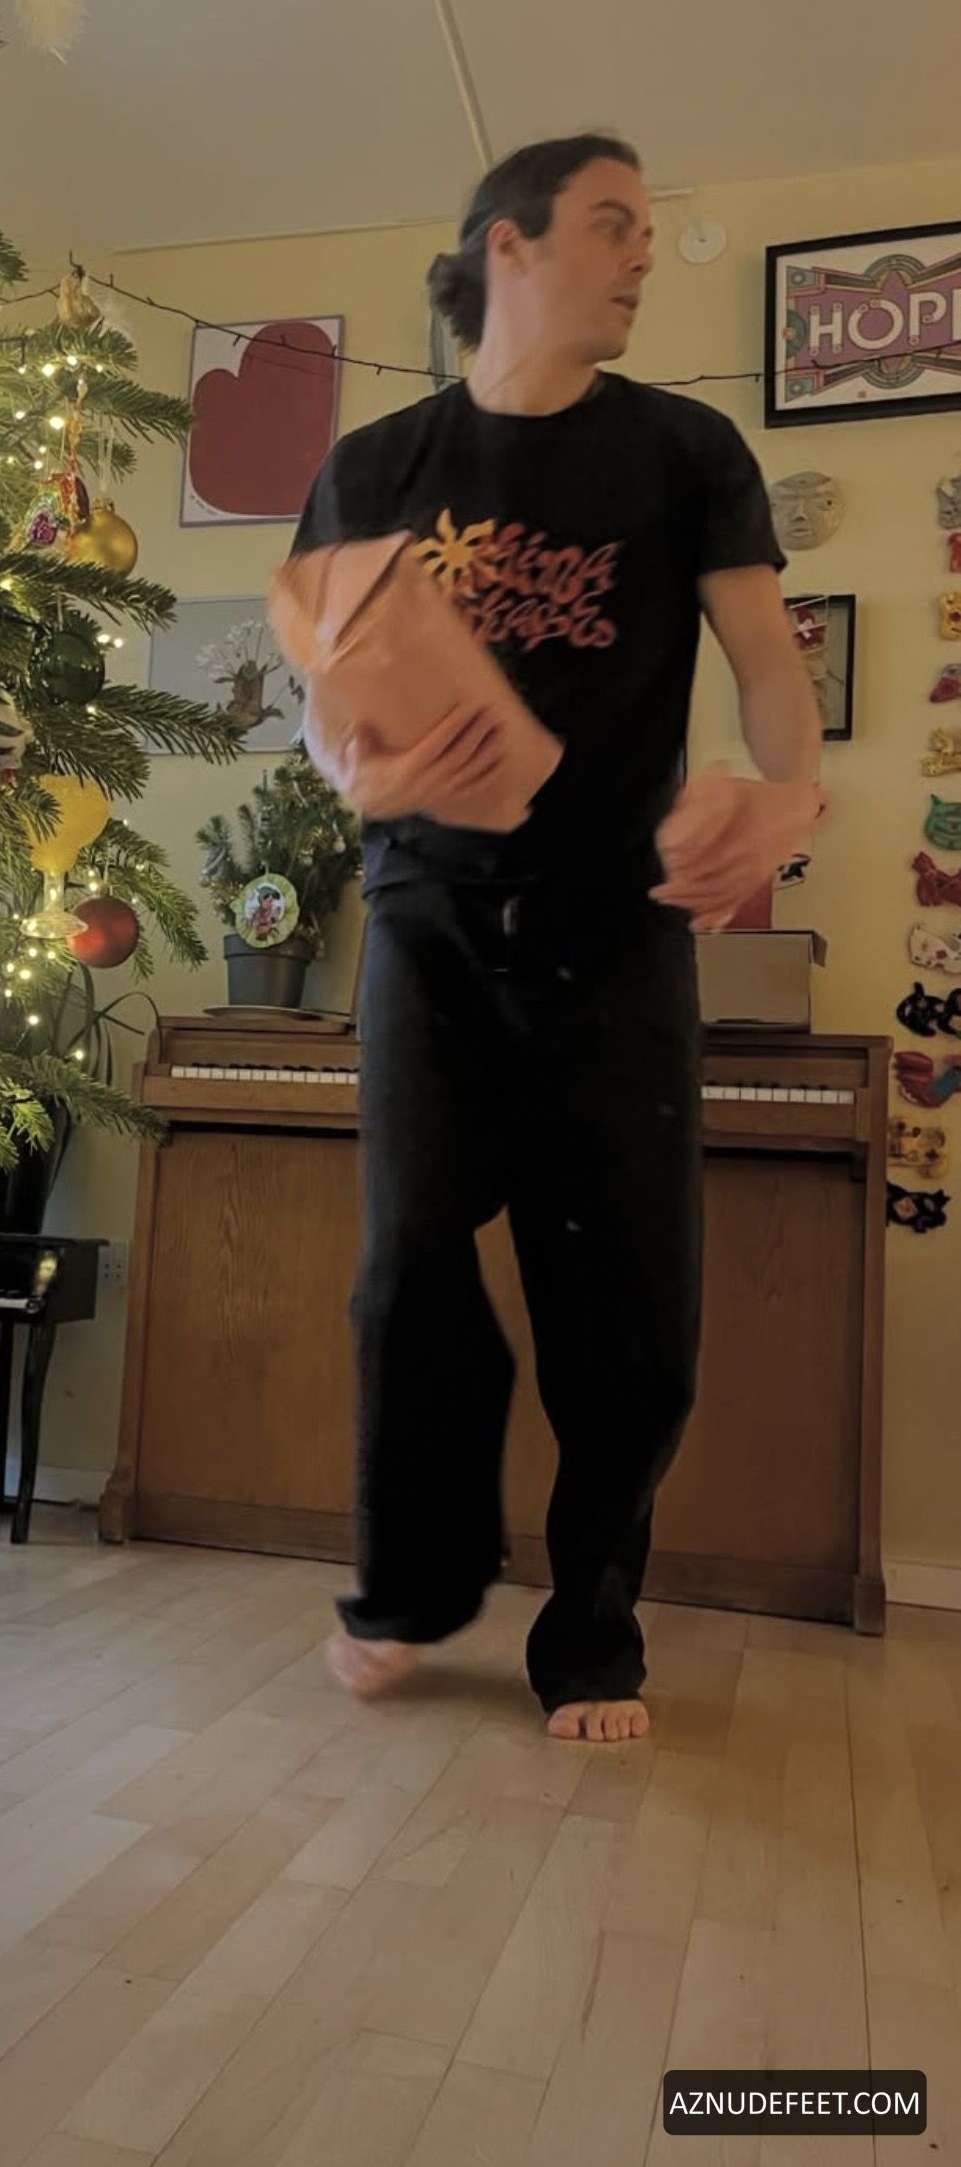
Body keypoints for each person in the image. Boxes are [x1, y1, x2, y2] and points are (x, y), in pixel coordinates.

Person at [291, 135, 823, 1745]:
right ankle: (407, 1589)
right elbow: (323, 707)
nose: (642, 253)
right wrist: (359, 773)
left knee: (630, 1308)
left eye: (645, 230)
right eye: (611, 224)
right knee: (406, 1267)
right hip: (426, 915)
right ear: (506, 247)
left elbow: (767, 663)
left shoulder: (685, 449)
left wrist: (785, 797)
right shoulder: (373, 464)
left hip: (621, 924)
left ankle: (589, 1633)